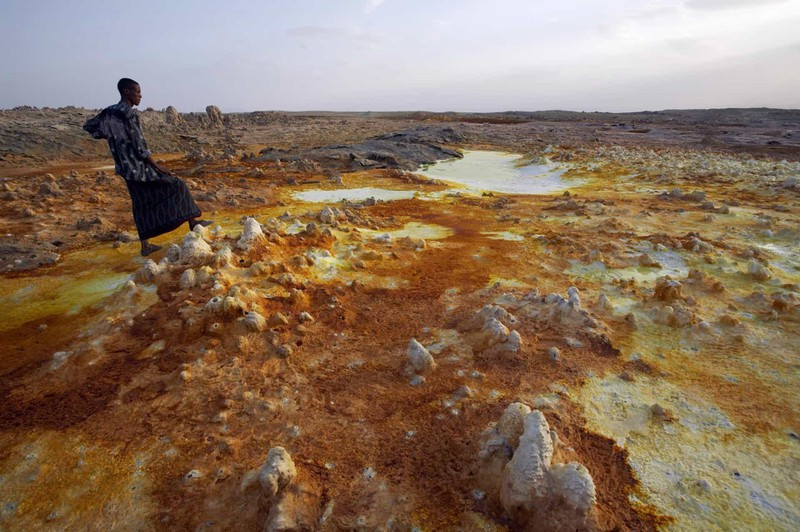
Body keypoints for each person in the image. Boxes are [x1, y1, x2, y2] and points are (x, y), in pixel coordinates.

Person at [83, 78, 211, 256]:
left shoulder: (109, 113)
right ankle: (193, 222)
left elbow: (89, 126)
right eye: (137, 92)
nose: (140, 96)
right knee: (177, 184)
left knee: (140, 203)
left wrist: (114, 137)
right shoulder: (129, 114)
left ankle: (146, 246)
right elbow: (139, 144)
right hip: (139, 166)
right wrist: (157, 166)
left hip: (124, 168)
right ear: (126, 91)